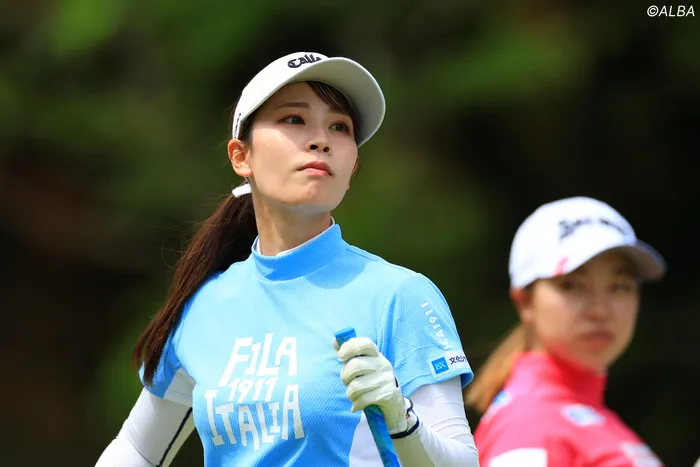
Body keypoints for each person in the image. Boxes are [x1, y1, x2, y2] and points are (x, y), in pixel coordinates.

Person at [95, 51, 480, 467]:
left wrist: (401, 418)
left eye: (339, 127)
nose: (321, 140)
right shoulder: (205, 306)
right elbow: (136, 450)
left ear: (353, 168)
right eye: (294, 119)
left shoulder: (400, 296)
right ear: (241, 156)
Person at [465, 196, 666, 466]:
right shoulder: (528, 425)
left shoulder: (591, 416)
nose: (600, 311)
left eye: (620, 286)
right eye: (572, 285)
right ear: (525, 302)